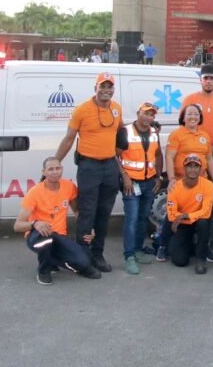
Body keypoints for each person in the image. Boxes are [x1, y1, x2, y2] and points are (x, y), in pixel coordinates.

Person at [54, 71, 125, 273]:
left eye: (109, 87)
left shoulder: (116, 109)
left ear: (113, 89)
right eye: (102, 86)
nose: (106, 90)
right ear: (96, 88)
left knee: (104, 213)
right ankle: (83, 258)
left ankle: (97, 254)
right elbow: (69, 138)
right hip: (89, 167)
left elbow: (120, 132)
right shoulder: (82, 110)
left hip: (109, 166)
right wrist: (55, 161)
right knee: (87, 213)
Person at [14, 157, 101, 284]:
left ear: (62, 169)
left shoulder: (69, 186)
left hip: (60, 236)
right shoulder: (35, 192)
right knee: (46, 235)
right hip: (38, 236)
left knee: (84, 262)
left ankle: (54, 260)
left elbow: (77, 212)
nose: (55, 172)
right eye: (50, 169)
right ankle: (43, 271)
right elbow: (17, 226)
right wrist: (35, 224)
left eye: (58, 168)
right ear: (44, 172)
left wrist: (88, 228)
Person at [183, 65, 213, 255]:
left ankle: (212, 236)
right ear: (201, 80)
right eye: (206, 78)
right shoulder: (190, 99)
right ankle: (193, 235)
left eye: (212, 78)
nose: (209, 81)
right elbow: (185, 125)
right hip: (194, 155)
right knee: (193, 194)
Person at [118, 101, 163, 275]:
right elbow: (115, 156)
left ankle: (138, 249)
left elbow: (158, 154)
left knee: (143, 218)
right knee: (131, 219)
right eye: (145, 113)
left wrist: (158, 176)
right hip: (131, 184)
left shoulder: (154, 133)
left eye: (151, 114)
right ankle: (129, 256)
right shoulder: (125, 132)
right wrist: (124, 177)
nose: (148, 117)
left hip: (149, 182)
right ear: (138, 114)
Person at [161, 153, 213, 274]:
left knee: (204, 223)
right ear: (184, 169)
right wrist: (183, 218)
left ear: (200, 169)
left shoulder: (208, 185)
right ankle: (187, 244)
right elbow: (171, 214)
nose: (193, 170)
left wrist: (186, 215)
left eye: (196, 166)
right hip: (182, 224)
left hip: (196, 221)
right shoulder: (174, 187)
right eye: (189, 166)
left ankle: (201, 259)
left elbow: (206, 212)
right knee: (180, 261)